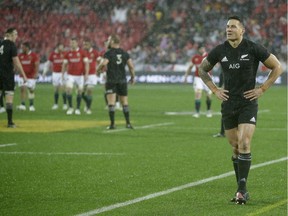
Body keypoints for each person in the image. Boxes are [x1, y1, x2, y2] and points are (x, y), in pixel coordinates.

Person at [199, 16, 283, 205]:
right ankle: (240, 187)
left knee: (245, 143)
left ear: (242, 30)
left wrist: (262, 88)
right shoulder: (220, 50)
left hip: (248, 103)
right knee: (235, 147)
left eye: (233, 27)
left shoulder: (253, 48)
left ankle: (241, 190)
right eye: (227, 26)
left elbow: (277, 67)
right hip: (228, 104)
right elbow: (202, 69)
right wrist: (214, 90)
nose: (229, 29)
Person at [97, 34, 135, 129]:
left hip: (111, 80)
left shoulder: (109, 53)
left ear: (113, 42)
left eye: (109, 40)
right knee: (124, 102)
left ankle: (112, 124)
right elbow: (131, 66)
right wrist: (133, 77)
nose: (108, 41)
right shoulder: (124, 53)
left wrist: (98, 69)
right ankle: (128, 123)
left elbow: (104, 63)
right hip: (122, 80)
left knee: (111, 103)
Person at [0, 28, 27, 127]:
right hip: (7, 75)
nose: (16, 36)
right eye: (15, 34)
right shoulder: (12, 45)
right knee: (9, 97)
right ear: (10, 35)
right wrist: (23, 75)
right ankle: (10, 122)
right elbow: (16, 61)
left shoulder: (1, 44)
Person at [62, 37, 89, 115]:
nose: (72, 44)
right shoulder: (67, 53)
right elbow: (64, 64)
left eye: (73, 42)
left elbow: (86, 64)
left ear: (77, 43)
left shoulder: (82, 52)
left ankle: (77, 108)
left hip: (80, 75)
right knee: (68, 90)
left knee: (80, 92)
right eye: (71, 43)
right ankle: (70, 108)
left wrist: (86, 74)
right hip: (70, 75)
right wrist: (62, 74)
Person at [184, 46, 213, 118]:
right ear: (198, 50)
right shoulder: (195, 57)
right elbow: (190, 67)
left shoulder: (208, 56)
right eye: (201, 49)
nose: (202, 50)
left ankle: (208, 111)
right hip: (198, 78)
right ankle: (197, 112)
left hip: (207, 78)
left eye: (203, 48)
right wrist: (186, 76)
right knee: (197, 94)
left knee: (208, 96)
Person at [43, 43, 67, 110]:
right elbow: (48, 64)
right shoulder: (53, 54)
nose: (62, 49)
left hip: (63, 73)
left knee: (63, 88)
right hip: (55, 74)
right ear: (57, 47)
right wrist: (44, 72)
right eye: (61, 47)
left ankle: (65, 104)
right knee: (56, 89)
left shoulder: (65, 53)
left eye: (63, 47)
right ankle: (56, 104)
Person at [82, 38, 103, 114]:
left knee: (89, 90)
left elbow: (100, 61)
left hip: (92, 75)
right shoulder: (82, 52)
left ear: (90, 44)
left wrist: (99, 70)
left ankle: (88, 108)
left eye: (86, 44)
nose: (84, 46)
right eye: (84, 44)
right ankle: (87, 103)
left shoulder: (95, 53)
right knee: (80, 92)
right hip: (82, 75)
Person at [17, 42, 39, 111]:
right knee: (22, 89)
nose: (21, 49)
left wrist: (36, 73)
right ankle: (22, 104)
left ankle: (31, 105)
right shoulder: (20, 56)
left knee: (31, 90)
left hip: (31, 76)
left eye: (23, 47)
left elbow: (36, 65)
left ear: (27, 48)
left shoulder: (34, 55)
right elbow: (18, 65)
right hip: (22, 76)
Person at [213, 71, 225, 138]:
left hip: (227, 92)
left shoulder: (224, 69)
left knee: (225, 112)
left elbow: (221, 85)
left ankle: (222, 132)